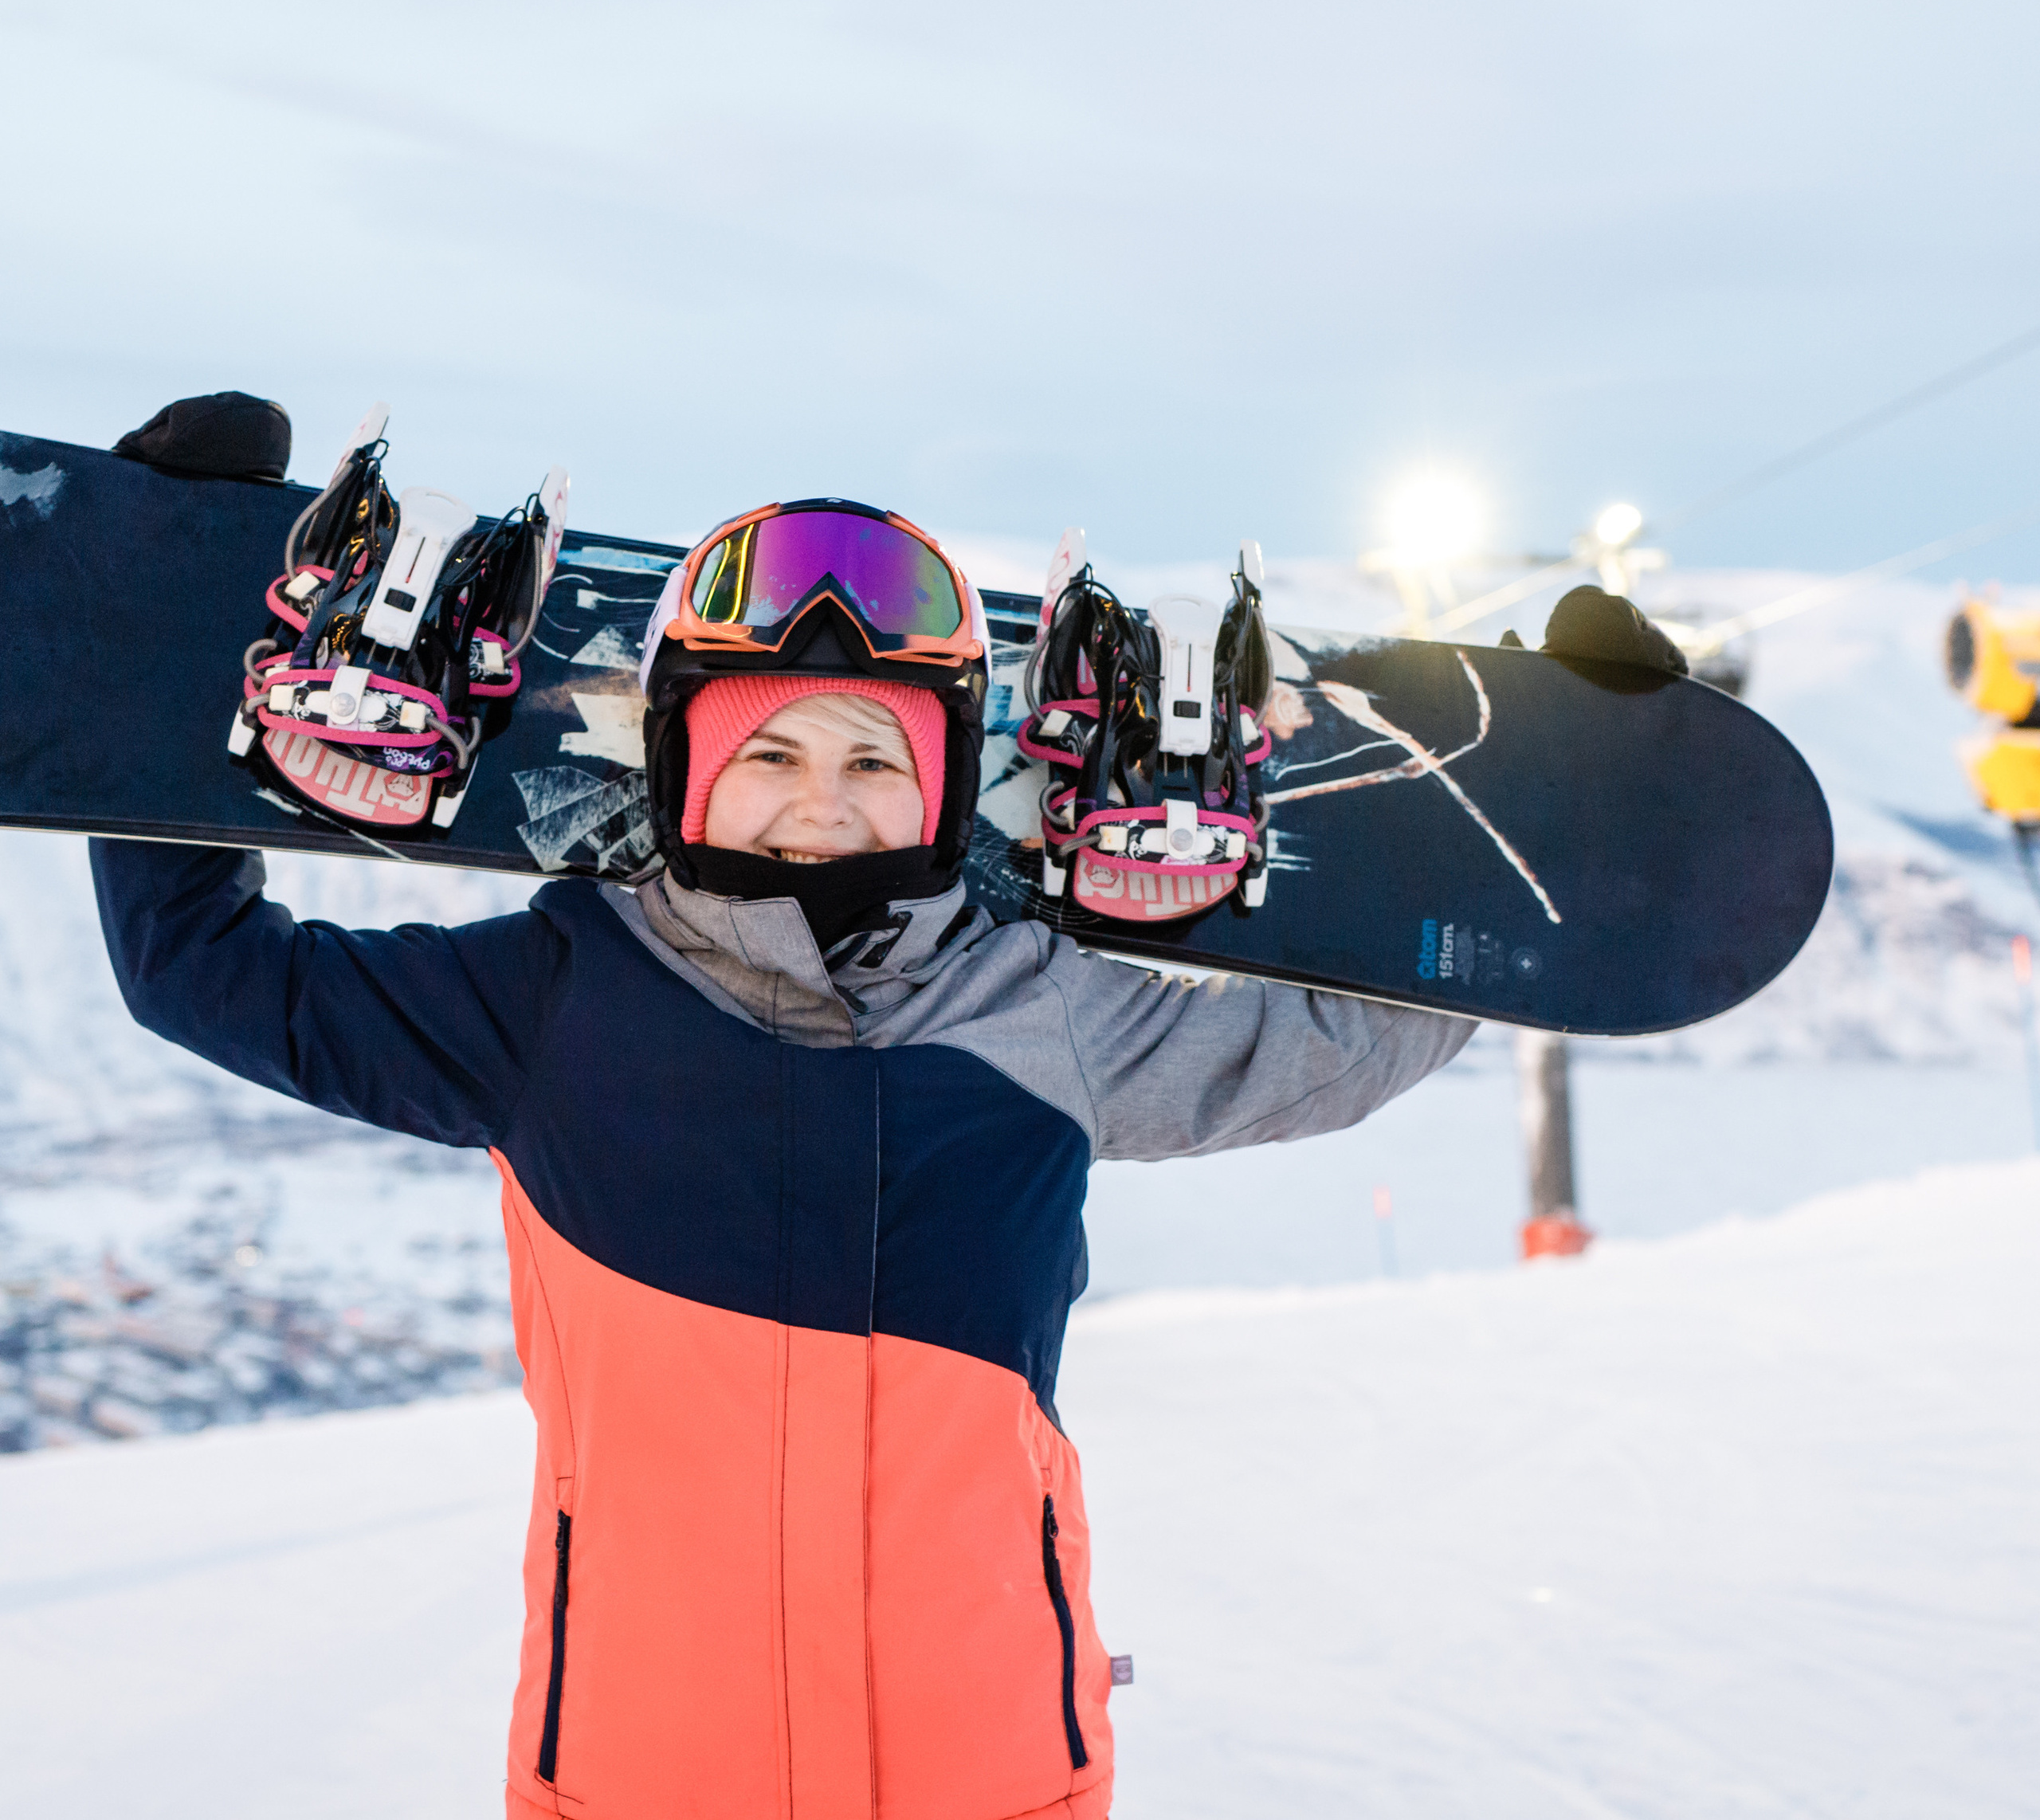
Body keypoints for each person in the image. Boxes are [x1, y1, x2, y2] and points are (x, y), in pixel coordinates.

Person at [90, 398, 1673, 1820]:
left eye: (871, 753)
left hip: (991, 1765)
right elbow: (204, 969)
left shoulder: (1041, 1003)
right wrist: (163, 639)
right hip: (636, 1774)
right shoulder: (555, 996)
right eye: (766, 746)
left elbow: (1337, 1038)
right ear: (677, 761)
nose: (820, 794)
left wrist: (1545, 795)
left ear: (942, 786)